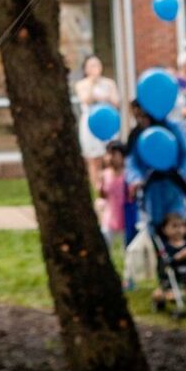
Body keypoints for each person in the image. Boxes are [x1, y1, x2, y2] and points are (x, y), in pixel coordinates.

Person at [74, 53, 119, 188]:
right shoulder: (82, 84)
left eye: (97, 64)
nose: (95, 68)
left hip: (107, 122)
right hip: (90, 124)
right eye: (91, 65)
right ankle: (97, 188)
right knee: (93, 159)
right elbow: (85, 99)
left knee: (109, 156)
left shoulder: (109, 83)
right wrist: (92, 83)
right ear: (86, 69)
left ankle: (110, 186)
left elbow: (116, 102)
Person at [152, 211, 186, 310]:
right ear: (164, 230)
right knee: (185, 271)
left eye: (182, 226)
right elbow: (166, 262)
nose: (179, 230)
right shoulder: (167, 246)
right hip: (178, 271)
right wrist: (179, 256)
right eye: (174, 226)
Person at [96, 142, 127, 257]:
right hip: (109, 218)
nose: (110, 157)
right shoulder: (104, 175)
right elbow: (102, 196)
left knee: (127, 249)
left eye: (114, 154)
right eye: (108, 154)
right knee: (104, 246)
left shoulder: (128, 175)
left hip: (125, 217)